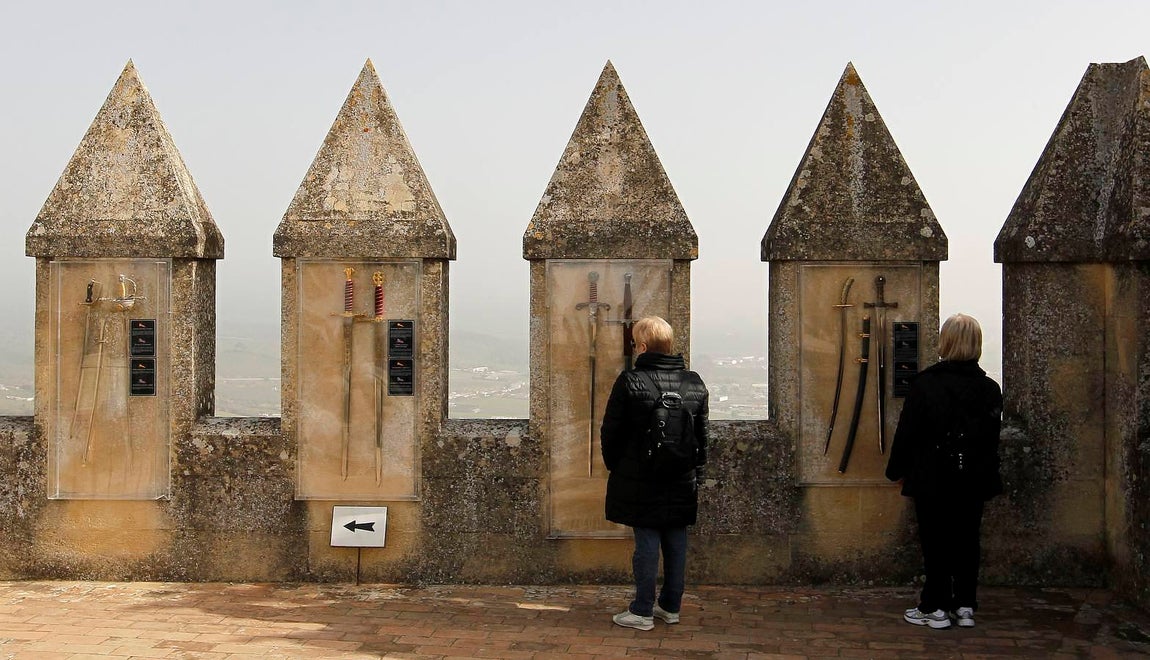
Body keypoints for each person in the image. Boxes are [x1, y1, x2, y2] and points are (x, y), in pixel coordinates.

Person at [885, 313, 1003, 630]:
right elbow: (990, 440)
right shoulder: (990, 389)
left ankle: (934, 606)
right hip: (973, 477)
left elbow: (907, 433)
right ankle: (964, 605)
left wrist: (895, 470)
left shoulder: (926, 384)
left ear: (946, 342)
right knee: (967, 540)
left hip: (932, 476)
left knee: (935, 541)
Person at [600, 315, 709, 631]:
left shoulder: (630, 381)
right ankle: (670, 606)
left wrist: (617, 467)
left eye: (635, 343)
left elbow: (611, 432)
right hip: (682, 476)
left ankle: (642, 610)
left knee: (646, 540)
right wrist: (698, 474)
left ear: (643, 346)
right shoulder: (694, 383)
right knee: (676, 539)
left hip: (641, 477)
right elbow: (701, 436)